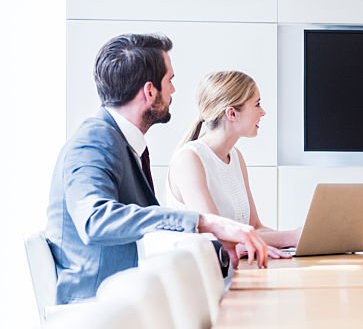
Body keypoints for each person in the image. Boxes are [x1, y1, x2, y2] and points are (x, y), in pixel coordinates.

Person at [46, 34, 268, 305]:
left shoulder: (126, 142)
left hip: (132, 302)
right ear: (150, 91)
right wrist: (203, 222)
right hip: (99, 313)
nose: (174, 91)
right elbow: (95, 220)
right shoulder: (93, 141)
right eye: (170, 81)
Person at [167, 71, 300, 256]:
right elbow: (217, 237)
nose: (263, 112)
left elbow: (254, 227)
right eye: (257, 104)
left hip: (232, 270)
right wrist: (291, 237)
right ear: (231, 113)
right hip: (201, 275)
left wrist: (301, 240)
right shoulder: (189, 159)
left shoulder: (236, 157)